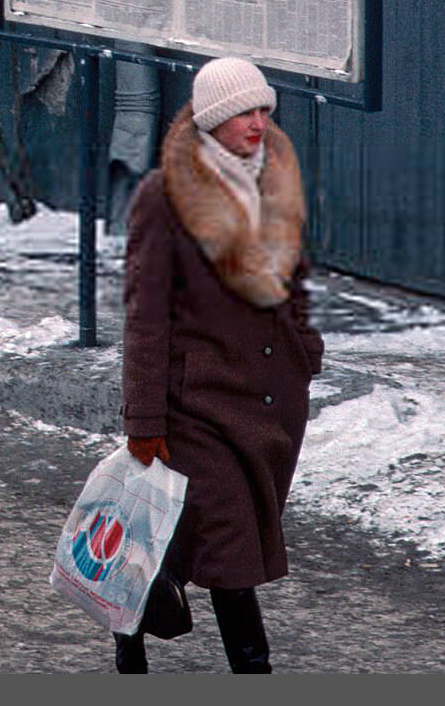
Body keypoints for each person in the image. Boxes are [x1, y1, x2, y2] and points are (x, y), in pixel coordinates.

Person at [115, 56, 325, 673]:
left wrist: (305, 350)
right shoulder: (165, 199)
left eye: (264, 110)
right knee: (234, 552)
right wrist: (145, 421)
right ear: (211, 121)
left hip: (269, 404)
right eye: (243, 113)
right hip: (200, 407)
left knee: (189, 538)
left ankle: (129, 627)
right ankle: (252, 670)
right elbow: (146, 319)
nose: (259, 122)